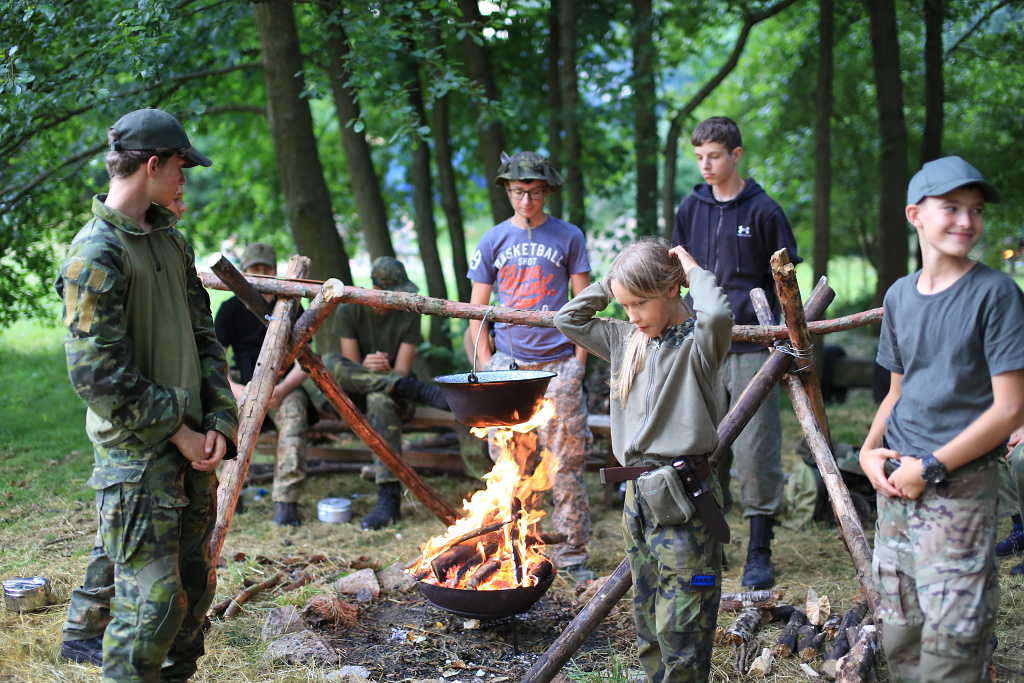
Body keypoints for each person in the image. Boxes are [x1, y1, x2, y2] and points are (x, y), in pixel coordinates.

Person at [55, 108, 238, 681]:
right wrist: (179, 432)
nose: (185, 180)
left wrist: (219, 422)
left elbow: (205, 338)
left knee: (192, 600)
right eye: (181, 167)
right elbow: (97, 376)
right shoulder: (95, 254)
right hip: (136, 460)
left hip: (194, 451)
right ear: (153, 165)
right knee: (152, 610)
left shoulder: (171, 241)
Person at [858, 156, 1024, 682]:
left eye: (976, 210)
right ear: (915, 215)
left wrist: (929, 467)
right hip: (896, 490)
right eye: (951, 207)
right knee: (900, 634)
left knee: (952, 647)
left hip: (958, 493)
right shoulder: (899, 296)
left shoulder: (996, 294)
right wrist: (868, 450)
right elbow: (897, 392)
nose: (966, 221)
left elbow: (1011, 408)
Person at [555, 238, 733, 682]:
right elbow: (568, 319)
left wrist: (690, 268)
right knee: (648, 615)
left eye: (639, 303)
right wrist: (612, 282)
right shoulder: (625, 339)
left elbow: (717, 313)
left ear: (672, 289)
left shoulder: (698, 343)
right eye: (624, 304)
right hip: (637, 497)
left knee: (684, 625)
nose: (632, 314)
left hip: (684, 497)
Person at [670, 115, 800, 589]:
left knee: (755, 447)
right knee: (703, 447)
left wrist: (783, 337)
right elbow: (678, 275)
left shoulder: (764, 210)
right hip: (701, 345)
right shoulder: (691, 208)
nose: (705, 165)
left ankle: (759, 551)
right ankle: (709, 545)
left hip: (752, 347)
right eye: (699, 157)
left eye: (714, 156)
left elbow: (786, 281)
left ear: (736, 155)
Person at [467, 151, 594, 581]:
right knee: (508, 461)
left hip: (558, 364)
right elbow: (476, 310)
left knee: (566, 462)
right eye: (519, 192)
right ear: (507, 189)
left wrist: (576, 365)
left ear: (548, 192)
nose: (527, 200)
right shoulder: (493, 240)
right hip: (510, 365)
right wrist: (489, 365)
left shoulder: (569, 236)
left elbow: (584, 306)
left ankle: (573, 553)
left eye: (536, 192)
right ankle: (512, 546)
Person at [323, 256, 449, 530]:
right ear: (377, 289)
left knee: (380, 399)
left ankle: (389, 499)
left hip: (396, 399)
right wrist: (366, 365)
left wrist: (388, 371)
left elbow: (402, 368)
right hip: (356, 396)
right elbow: (350, 371)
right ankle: (420, 391)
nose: (399, 297)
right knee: (329, 362)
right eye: (394, 292)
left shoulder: (408, 314)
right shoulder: (350, 309)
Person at [215, 242, 311, 526]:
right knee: (221, 419)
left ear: (275, 269)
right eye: (255, 268)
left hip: (282, 388)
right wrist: (235, 390)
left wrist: (281, 390)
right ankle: (229, 493)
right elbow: (214, 360)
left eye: (266, 268)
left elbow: (306, 364)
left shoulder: (291, 305)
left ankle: (286, 501)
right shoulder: (230, 309)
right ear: (244, 271)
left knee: (294, 417)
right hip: (242, 386)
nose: (261, 273)